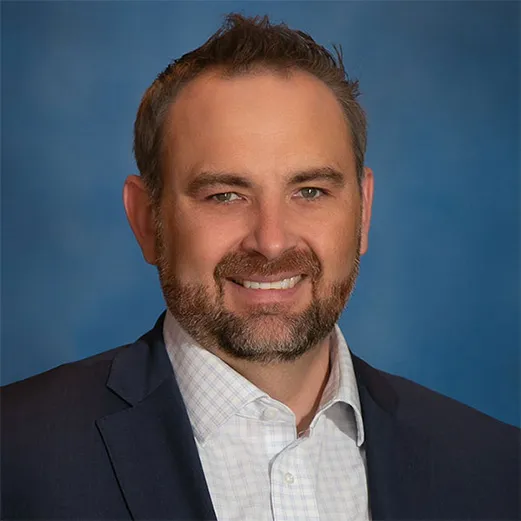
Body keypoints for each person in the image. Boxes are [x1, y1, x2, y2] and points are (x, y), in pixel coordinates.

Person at [1, 13, 519, 521]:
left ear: (362, 210)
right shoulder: (18, 455)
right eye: (224, 195)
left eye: (310, 191)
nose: (271, 242)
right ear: (145, 218)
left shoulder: (494, 470)